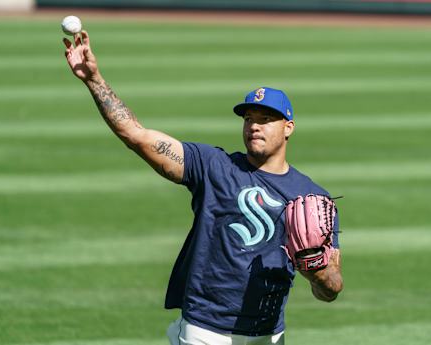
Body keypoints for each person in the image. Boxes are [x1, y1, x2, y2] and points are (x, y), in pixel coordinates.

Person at [63, 31, 343, 345]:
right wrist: (94, 79)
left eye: (266, 119)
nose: (254, 126)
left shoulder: (313, 199)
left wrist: (314, 268)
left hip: (268, 334)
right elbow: (136, 136)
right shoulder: (212, 166)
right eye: (249, 118)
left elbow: (330, 290)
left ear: (288, 128)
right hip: (205, 330)